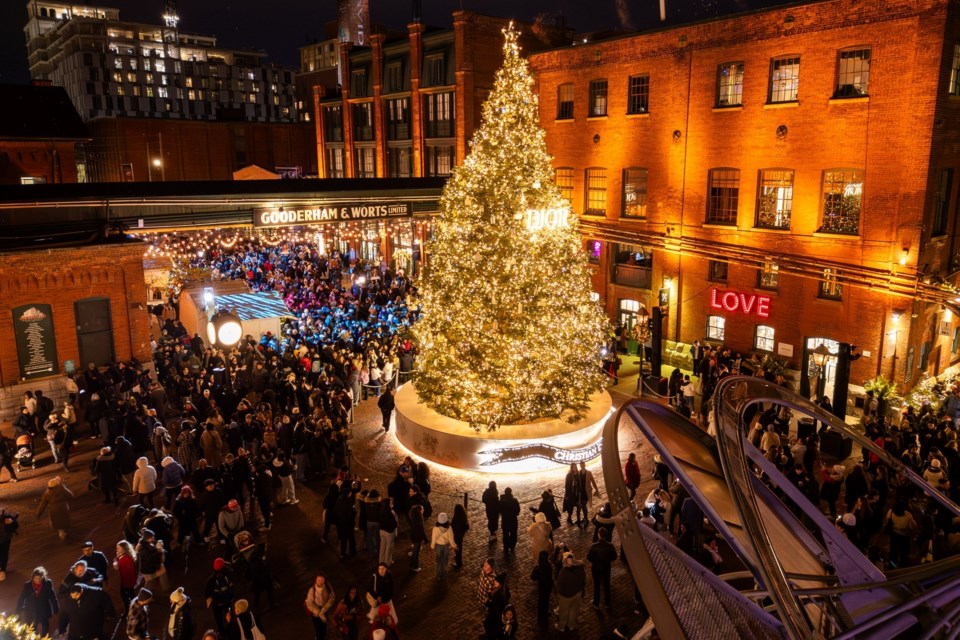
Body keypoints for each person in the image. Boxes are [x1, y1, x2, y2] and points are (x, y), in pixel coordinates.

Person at [16, 567, 59, 636]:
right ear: (32, 578)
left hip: (44, 610)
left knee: (45, 627)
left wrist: (55, 609)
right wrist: (18, 610)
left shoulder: (47, 584)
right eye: (36, 578)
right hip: (31, 611)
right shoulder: (27, 585)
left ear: (43, 577)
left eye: (40, 578)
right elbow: (22, 598)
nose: (38, 580)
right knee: (31, 628)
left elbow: (53, 597)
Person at [587, 528, 618, 609]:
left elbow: (589, 558)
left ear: (598, 535)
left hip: (596, 568)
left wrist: (595, 561)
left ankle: (596, 603)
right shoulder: (610, 546)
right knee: (607, 585)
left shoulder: (594, 546)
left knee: (596, 585)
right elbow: (614, 557)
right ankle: (607, 602)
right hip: (606, 568)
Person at [556, 552, 586, 632]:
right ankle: (571, 625)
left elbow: (559, 586)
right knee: (574, 611)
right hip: (577, 593)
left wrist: (559, 594)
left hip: (565, 596)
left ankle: (561, 626)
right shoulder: (580, 568)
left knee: (563, 611)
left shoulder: (563, 572)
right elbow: (583, 579)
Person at [37, 475, 74, 540]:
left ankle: (61, 532)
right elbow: (70, 495)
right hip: (63, 507)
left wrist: (38, 513)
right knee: (64, 519)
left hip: (53, 510)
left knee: (58, 522)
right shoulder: (61, 488)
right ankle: (65, 531)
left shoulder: (47, 493)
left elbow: (43, 505)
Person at [205, 558, 235, 634]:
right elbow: (232, 584)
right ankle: (231, 628)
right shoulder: (227, 573)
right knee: (229, 614)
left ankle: (221, 631)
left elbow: (207, 592)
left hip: (216, 603)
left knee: (218, 618)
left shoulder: (211, 579)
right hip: (227, 600)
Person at [305, 573, 336, 640]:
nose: (320, 581)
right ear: (315, 580)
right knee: (318, 630)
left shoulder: (327, 588)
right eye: (318, 580)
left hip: (325, 611)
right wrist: (319, 612)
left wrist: (324, 610)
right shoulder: (312, 590)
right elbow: (309, 603)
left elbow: (332, 598)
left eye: (321, 579)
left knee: (324, 628)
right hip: (315, 614)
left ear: (324, 580)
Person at [483, 573, 510, 640]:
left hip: (495, 616)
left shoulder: (497, 595)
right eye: (495, 580)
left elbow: (494, 608)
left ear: (500, 584)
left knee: (490, 626)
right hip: (500, 614)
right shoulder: (504, 589)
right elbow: (509, 596)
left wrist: (487, 603)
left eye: (497, 582)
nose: (494, 582)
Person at [431, 511, 456, 580]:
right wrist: (454, 546)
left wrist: (432, 546)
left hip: (438, 546)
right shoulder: (449, 528)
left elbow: (434, 538)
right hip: (446, 546)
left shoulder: (435, 528)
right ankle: (444, 575)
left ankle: (439, 576)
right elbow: (451, 538)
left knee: (439, 561)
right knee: (445, 561)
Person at [530, 550, 553, 624]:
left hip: (542, 588)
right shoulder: (549, 565)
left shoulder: (538, 568)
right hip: (548, 586)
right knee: (546, 601)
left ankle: (540, 618)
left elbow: (532, 577)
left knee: (541, 602)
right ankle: (545, 615)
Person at [115, 540, 138, 606]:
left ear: (123, 548)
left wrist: (129, 584)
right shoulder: (121, 556)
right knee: (127, 595)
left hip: (128, 582)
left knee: (129, 595)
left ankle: (134, 608)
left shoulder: (127, 558)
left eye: (118, 547)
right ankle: (132, 607)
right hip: (124, 581)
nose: (116, 549)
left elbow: (131, 571)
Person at [499, 487, 520, 555]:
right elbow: (518, 511)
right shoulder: (514, 501)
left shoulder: (502, 501)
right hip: (513, 521)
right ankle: (512, 546)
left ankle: (506, 548)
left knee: (505, 535)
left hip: (505, 521)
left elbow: (499, 510)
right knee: (513, 534)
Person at [0, 509, 19, 581]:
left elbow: (16, 525)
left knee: (4, 553)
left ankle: (2, 570)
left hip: (5, 538)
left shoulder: (5, 516)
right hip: (5, 537)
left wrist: (11, 522)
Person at [408, 503, 426, 572]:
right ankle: (415, 566)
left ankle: (412, 564)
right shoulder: (418, 521)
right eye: (422, 509)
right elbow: (421, 531)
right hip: (417, 538)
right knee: (416, 552)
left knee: (415, 551)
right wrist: (425, 539)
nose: (423, 510)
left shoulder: (414, 518)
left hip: (414, 537)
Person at [451, 503, 469, 570]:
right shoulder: (464, 517)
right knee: (459, 548)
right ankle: (458, 559)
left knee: (457, 549)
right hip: (460, 536)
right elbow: (467, 527)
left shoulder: (456, 518)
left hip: (456, 536)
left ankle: (458, 562)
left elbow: (453, 527)